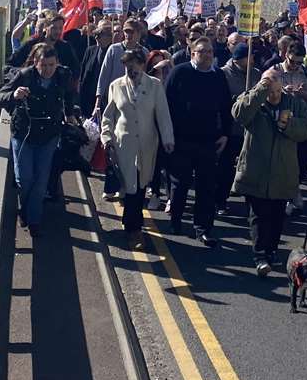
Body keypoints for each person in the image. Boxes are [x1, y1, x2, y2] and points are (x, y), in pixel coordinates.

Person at [233, 69, 307, 276]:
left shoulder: (294, 103)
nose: (274, 95)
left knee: (277, 216)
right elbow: (239, 114)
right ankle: (259, 255)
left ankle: (271, 250)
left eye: (277, 90)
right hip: (255, 170)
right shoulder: (253, 98)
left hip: (282, 171)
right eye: (269, 90)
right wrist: (260, 89)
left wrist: (289, 125)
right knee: (259, 216)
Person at [0, 42, 76, 236]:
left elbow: (70, 95)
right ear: (36, 63)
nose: (47, 70)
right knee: (24, 178)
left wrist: (70, 113)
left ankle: (33, 219)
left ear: (57, 63)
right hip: (24, 133)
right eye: (43, 65)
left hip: (49, 134)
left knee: (41, 180)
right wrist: (14, 95)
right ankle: (24, 208)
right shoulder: (25, 75)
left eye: (51, 65)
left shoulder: (63, 75)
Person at [100, 46, 174, 251]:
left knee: (140, 185)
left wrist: (168, 139)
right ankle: (134, 229)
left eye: (134, 66)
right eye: (126, 67)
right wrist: (106, 138)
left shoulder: (155, 86)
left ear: (142, 65)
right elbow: (108, 116)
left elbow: (163, 114)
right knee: (131, 186)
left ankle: (131, 222)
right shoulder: (116, 86)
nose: (130, 71)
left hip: (147, 144)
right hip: (124, 144)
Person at [163, 36, 235, 245]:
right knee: (180, 184)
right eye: (202, 51)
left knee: (206, 187)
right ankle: (176, 220)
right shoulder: (180, 73)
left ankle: (202, 228)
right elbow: (166, 105)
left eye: (210, 52)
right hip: (181, 140)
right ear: (192, 53)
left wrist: (225, 134)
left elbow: (225, 106)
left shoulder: (218, 76)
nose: (207, 55)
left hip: (208, 141)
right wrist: (168, 136)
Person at [218, 42, 262, 212]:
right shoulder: (223, 73)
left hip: (251, 130)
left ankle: (252, 204)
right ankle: (220, 200)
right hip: (231, 129)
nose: (253, 58)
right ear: (240, 59)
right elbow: (221, 101)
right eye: (250, 56)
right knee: (225, 168)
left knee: (251, 168)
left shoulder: (256, 73)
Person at [274, 38, 307, 197]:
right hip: (279, 121)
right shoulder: (275, 70)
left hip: (301, 123)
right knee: (282, 162)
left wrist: (303, 94)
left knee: (302, 161)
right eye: (292, 62)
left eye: (299, 63)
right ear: (286, 55)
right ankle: (286, 195)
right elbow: (264, 94)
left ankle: (294, 190)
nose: (295, 66)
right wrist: (282, 91)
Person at [95, 19, 145, 115]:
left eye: (131, 31)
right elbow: (103, 76)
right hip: (114, 98)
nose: (128, 35)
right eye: (126, 31)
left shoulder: (144, 52)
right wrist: (97, 103)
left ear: (139, 34)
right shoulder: (113, 49)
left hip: (136, 101)